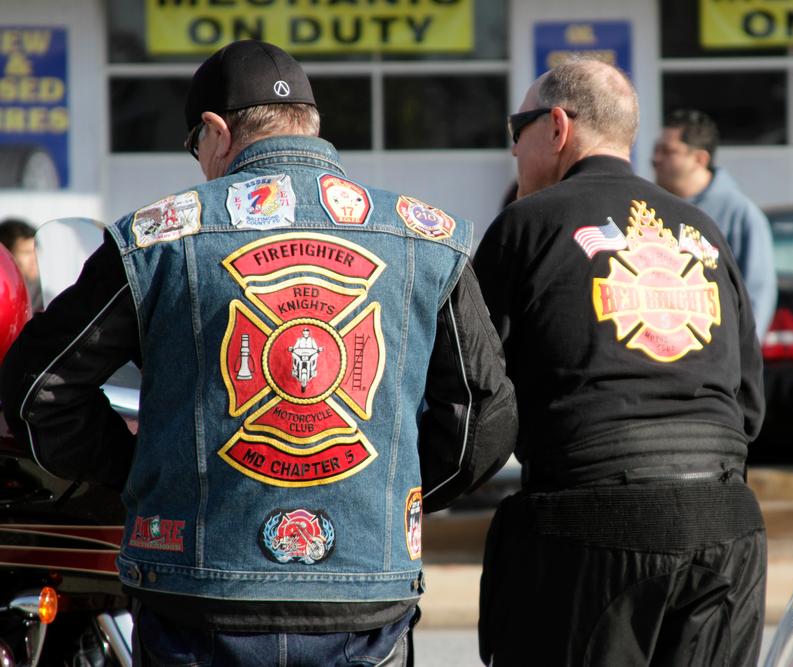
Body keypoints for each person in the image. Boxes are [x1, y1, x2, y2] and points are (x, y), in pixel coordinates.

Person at [1, 39, 517, 666]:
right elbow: (486, 416)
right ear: (311, 123)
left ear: (215, 131)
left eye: (196, 147)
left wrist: (141, 471)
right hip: (364, 601)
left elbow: (37, 388)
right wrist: (391, 492)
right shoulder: (425, 237)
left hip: (197, 592)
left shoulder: (156, 239)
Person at [474, 60, 766, 666]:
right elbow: (747, 405)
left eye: (516, 129)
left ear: (556, 127)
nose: (512, 150)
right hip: (728, 525)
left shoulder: (524, 227)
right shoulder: (703, 232)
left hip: (593, 526)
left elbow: (471, 394)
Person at [652, 109, 777, 340]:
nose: (655, 159)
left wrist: (740, 362)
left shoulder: (739, 214)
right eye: (656, 150)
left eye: (668, 151)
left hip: (716, 362)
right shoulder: (650, 209)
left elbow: (758, 296)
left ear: (700, 159)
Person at [0, 218, 42, 311]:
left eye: (35, 251)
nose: (34, 259)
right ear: (6, 256)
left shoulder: (43, 295)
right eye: (26, 252)